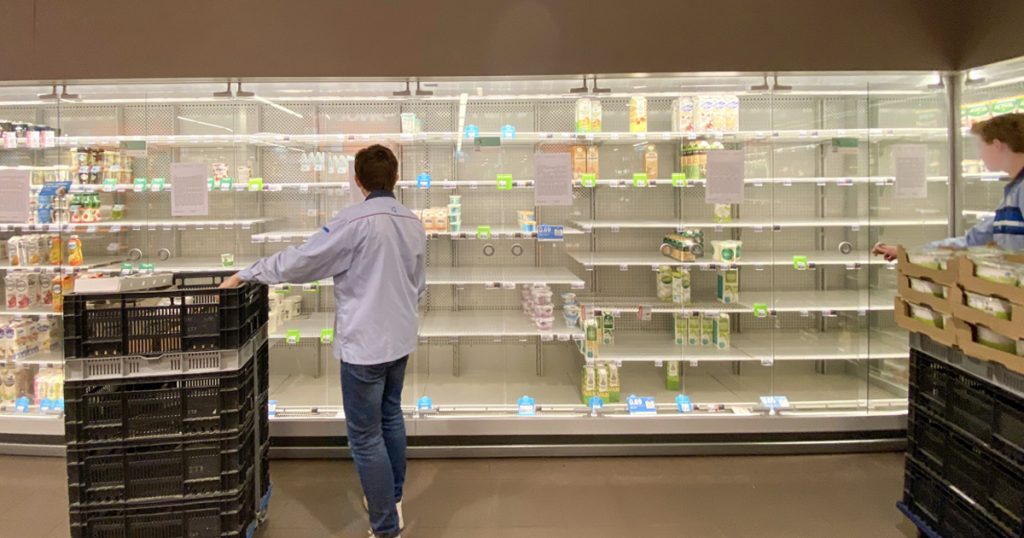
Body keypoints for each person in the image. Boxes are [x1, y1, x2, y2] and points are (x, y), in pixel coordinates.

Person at [220, 144, 425, 538]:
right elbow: (418, 285)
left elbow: (302, 261)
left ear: (358, 180)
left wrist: (250, 272)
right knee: (391, 417)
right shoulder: (412, 222)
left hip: (364, 345)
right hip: (399, 340)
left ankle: (385, 526)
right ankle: (392, 500)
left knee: (365, 436)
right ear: (395, 178)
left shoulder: (353, 221)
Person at [873, 113, 1024, 260]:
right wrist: (910, 253)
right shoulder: (1013, 192)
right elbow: (974, 240)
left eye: (981, 147)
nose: (980, 155)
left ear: (997, 145)